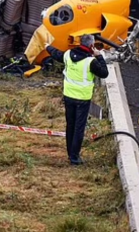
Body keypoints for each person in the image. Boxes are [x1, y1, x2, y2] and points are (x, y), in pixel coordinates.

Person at [46, 35, 109, 165]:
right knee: (79, 128)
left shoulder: (68, 55)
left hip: (68, 96)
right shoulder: (91, 62)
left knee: (70, 125)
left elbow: (56, 54)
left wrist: (47, 46)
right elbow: (104, 73)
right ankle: (74, 157)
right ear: (91, 46)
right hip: (83, 99)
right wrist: (99, 56)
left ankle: (70, 153)